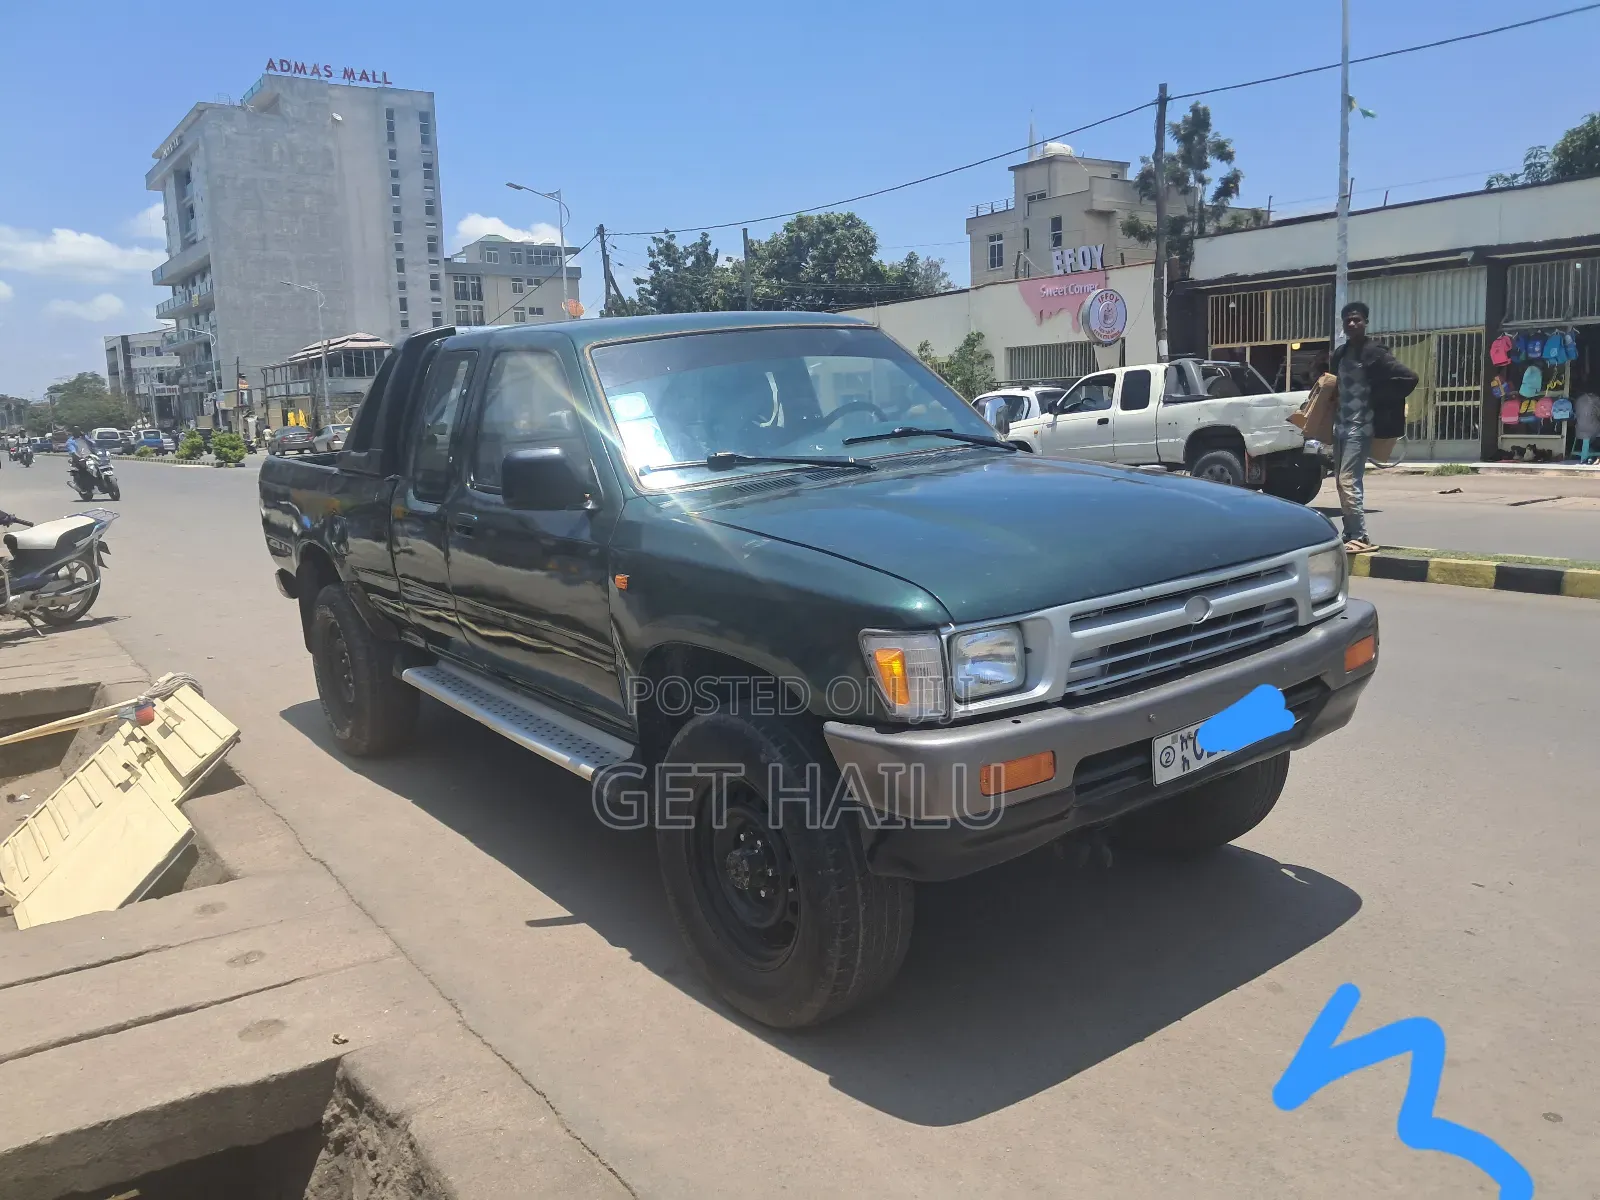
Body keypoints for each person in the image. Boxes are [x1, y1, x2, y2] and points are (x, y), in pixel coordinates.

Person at [1328, 302, 1418, 553]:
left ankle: (1360, 536)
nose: (1352, 324)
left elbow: (1409, 377)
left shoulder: (1375, 352)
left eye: (1357, 319)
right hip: (1340, 426)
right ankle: (1350, 534)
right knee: (1340, 482)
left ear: (1365, 322)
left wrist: (1382, 400)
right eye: (1348, 320)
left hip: (1361, 426)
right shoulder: (1340, 354)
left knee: (1348, 479)